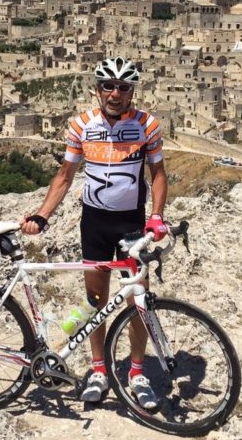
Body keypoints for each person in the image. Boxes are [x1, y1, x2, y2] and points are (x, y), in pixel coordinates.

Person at [20, 57, 168, 409]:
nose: (115, 94)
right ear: (97, 89)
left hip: (131, 224)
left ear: (132, 91)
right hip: (95, 223)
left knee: (139, 301)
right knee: (96, 300)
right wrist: (42, 215)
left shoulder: (147, 125)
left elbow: (159, 174)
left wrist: (157, 216)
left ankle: (137, 373)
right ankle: (99, 370)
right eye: (108, 86)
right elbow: (65, 176)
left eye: (123, 87)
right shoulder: (81, 126)